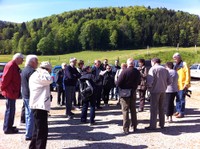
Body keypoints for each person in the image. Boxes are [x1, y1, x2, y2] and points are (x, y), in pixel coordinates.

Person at [29, 61, 53, 149]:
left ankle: (33, 147)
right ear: (46, 69)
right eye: (49, 70)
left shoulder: (37, 74)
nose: (50, 72)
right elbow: (49, 80)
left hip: (37, 105)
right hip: (39, 106)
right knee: (42, 131)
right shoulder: (40, 75)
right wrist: (45, 71)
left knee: (37, 130)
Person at [1, 53, 24, 134]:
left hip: (12, 91)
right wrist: (2, 88)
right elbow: (5, 78)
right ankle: (7, 128)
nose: (23, 61)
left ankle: (9, 126)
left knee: (11, 110)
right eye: (22, 59)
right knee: (10, 110)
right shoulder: (11, 65)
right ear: (17, 58)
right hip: (10, 91)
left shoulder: (13, 65)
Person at [116, 58, 140, 135]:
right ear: (133, 64)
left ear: (127, 63)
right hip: (133, 92)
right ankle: (134, 126)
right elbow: (139, 82)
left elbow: (118, 83)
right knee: (133, 110)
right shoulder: (137, 71)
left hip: (124, 93)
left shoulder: (124, 71)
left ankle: (126, 128)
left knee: (125, 111)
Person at [146, 58, 171, 130]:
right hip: (163, 90)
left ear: (153, 62)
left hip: (154, 91)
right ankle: (162, 124)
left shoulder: (152, 69)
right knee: (162, 108)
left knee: (154, 109)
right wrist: (165, 85)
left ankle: (153, 125)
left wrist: (149, 88)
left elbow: (150, 81)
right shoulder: (165, 69)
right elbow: (170, 80)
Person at [21, 55, 38, 141]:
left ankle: (28, 132)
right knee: (31, 115)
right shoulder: (32, 71)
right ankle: (30, 134)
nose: (37, 63)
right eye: (36, 61)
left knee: (28, 115)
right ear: (32, 62)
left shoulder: (24, 70)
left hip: (25, 94)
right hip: (31, 95)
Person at [173, 53, 191, 118]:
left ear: (179, 57)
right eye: (174, 59)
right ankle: (178, 110)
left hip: (183, 85)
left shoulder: (184, 64)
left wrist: (186, 84)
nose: (174, 60)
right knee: (177, 99)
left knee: (181, 99)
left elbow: (188, 74)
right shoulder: (176, 65)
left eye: (175, 58)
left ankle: (181, 113)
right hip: (177, 85)